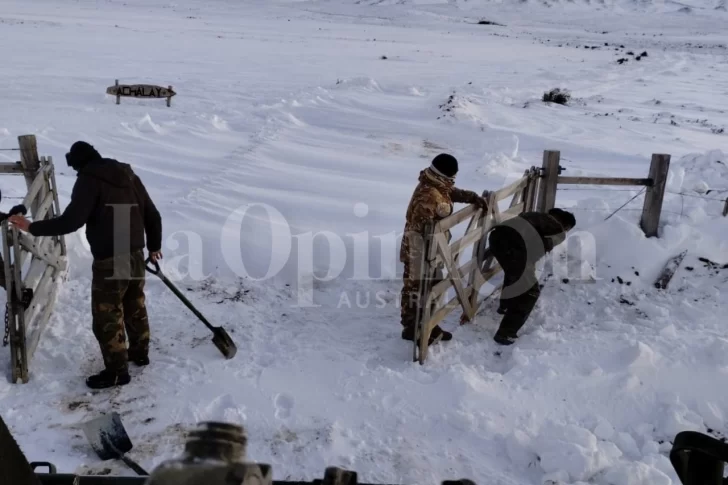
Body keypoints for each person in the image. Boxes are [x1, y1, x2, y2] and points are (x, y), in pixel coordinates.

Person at [9, 141, 162, 389]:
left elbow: (71, 221)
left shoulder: (89, 180)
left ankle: (116, 371)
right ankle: (139, 352)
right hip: (134, 251)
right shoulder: (128, 174)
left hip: (112, 257)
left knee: (107, 315)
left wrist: (32, 227)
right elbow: (153, 214)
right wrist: (154, 246)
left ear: (80, 164)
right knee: (134, 302)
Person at [400, 153, 488, 346]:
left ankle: (415, 326)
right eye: (451, 177)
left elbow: (449, 192)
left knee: (420, 287)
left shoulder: (435, 185)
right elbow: (424, 230)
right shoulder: (428, 196)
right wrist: (430, 256)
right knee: (421, 289)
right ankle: (421, 329)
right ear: (444, 175)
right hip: (420, 251)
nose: (452, 181)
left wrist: (471, 197)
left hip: (428, 250)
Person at [487, 207, 576, 345]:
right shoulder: (558, 229)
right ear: (567, 225)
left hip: (496, 238)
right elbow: (539, 248)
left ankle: (505, 306)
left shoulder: (534, 215)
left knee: (514, 272)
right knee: (530, 292)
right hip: (514, 246)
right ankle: (505, 333)